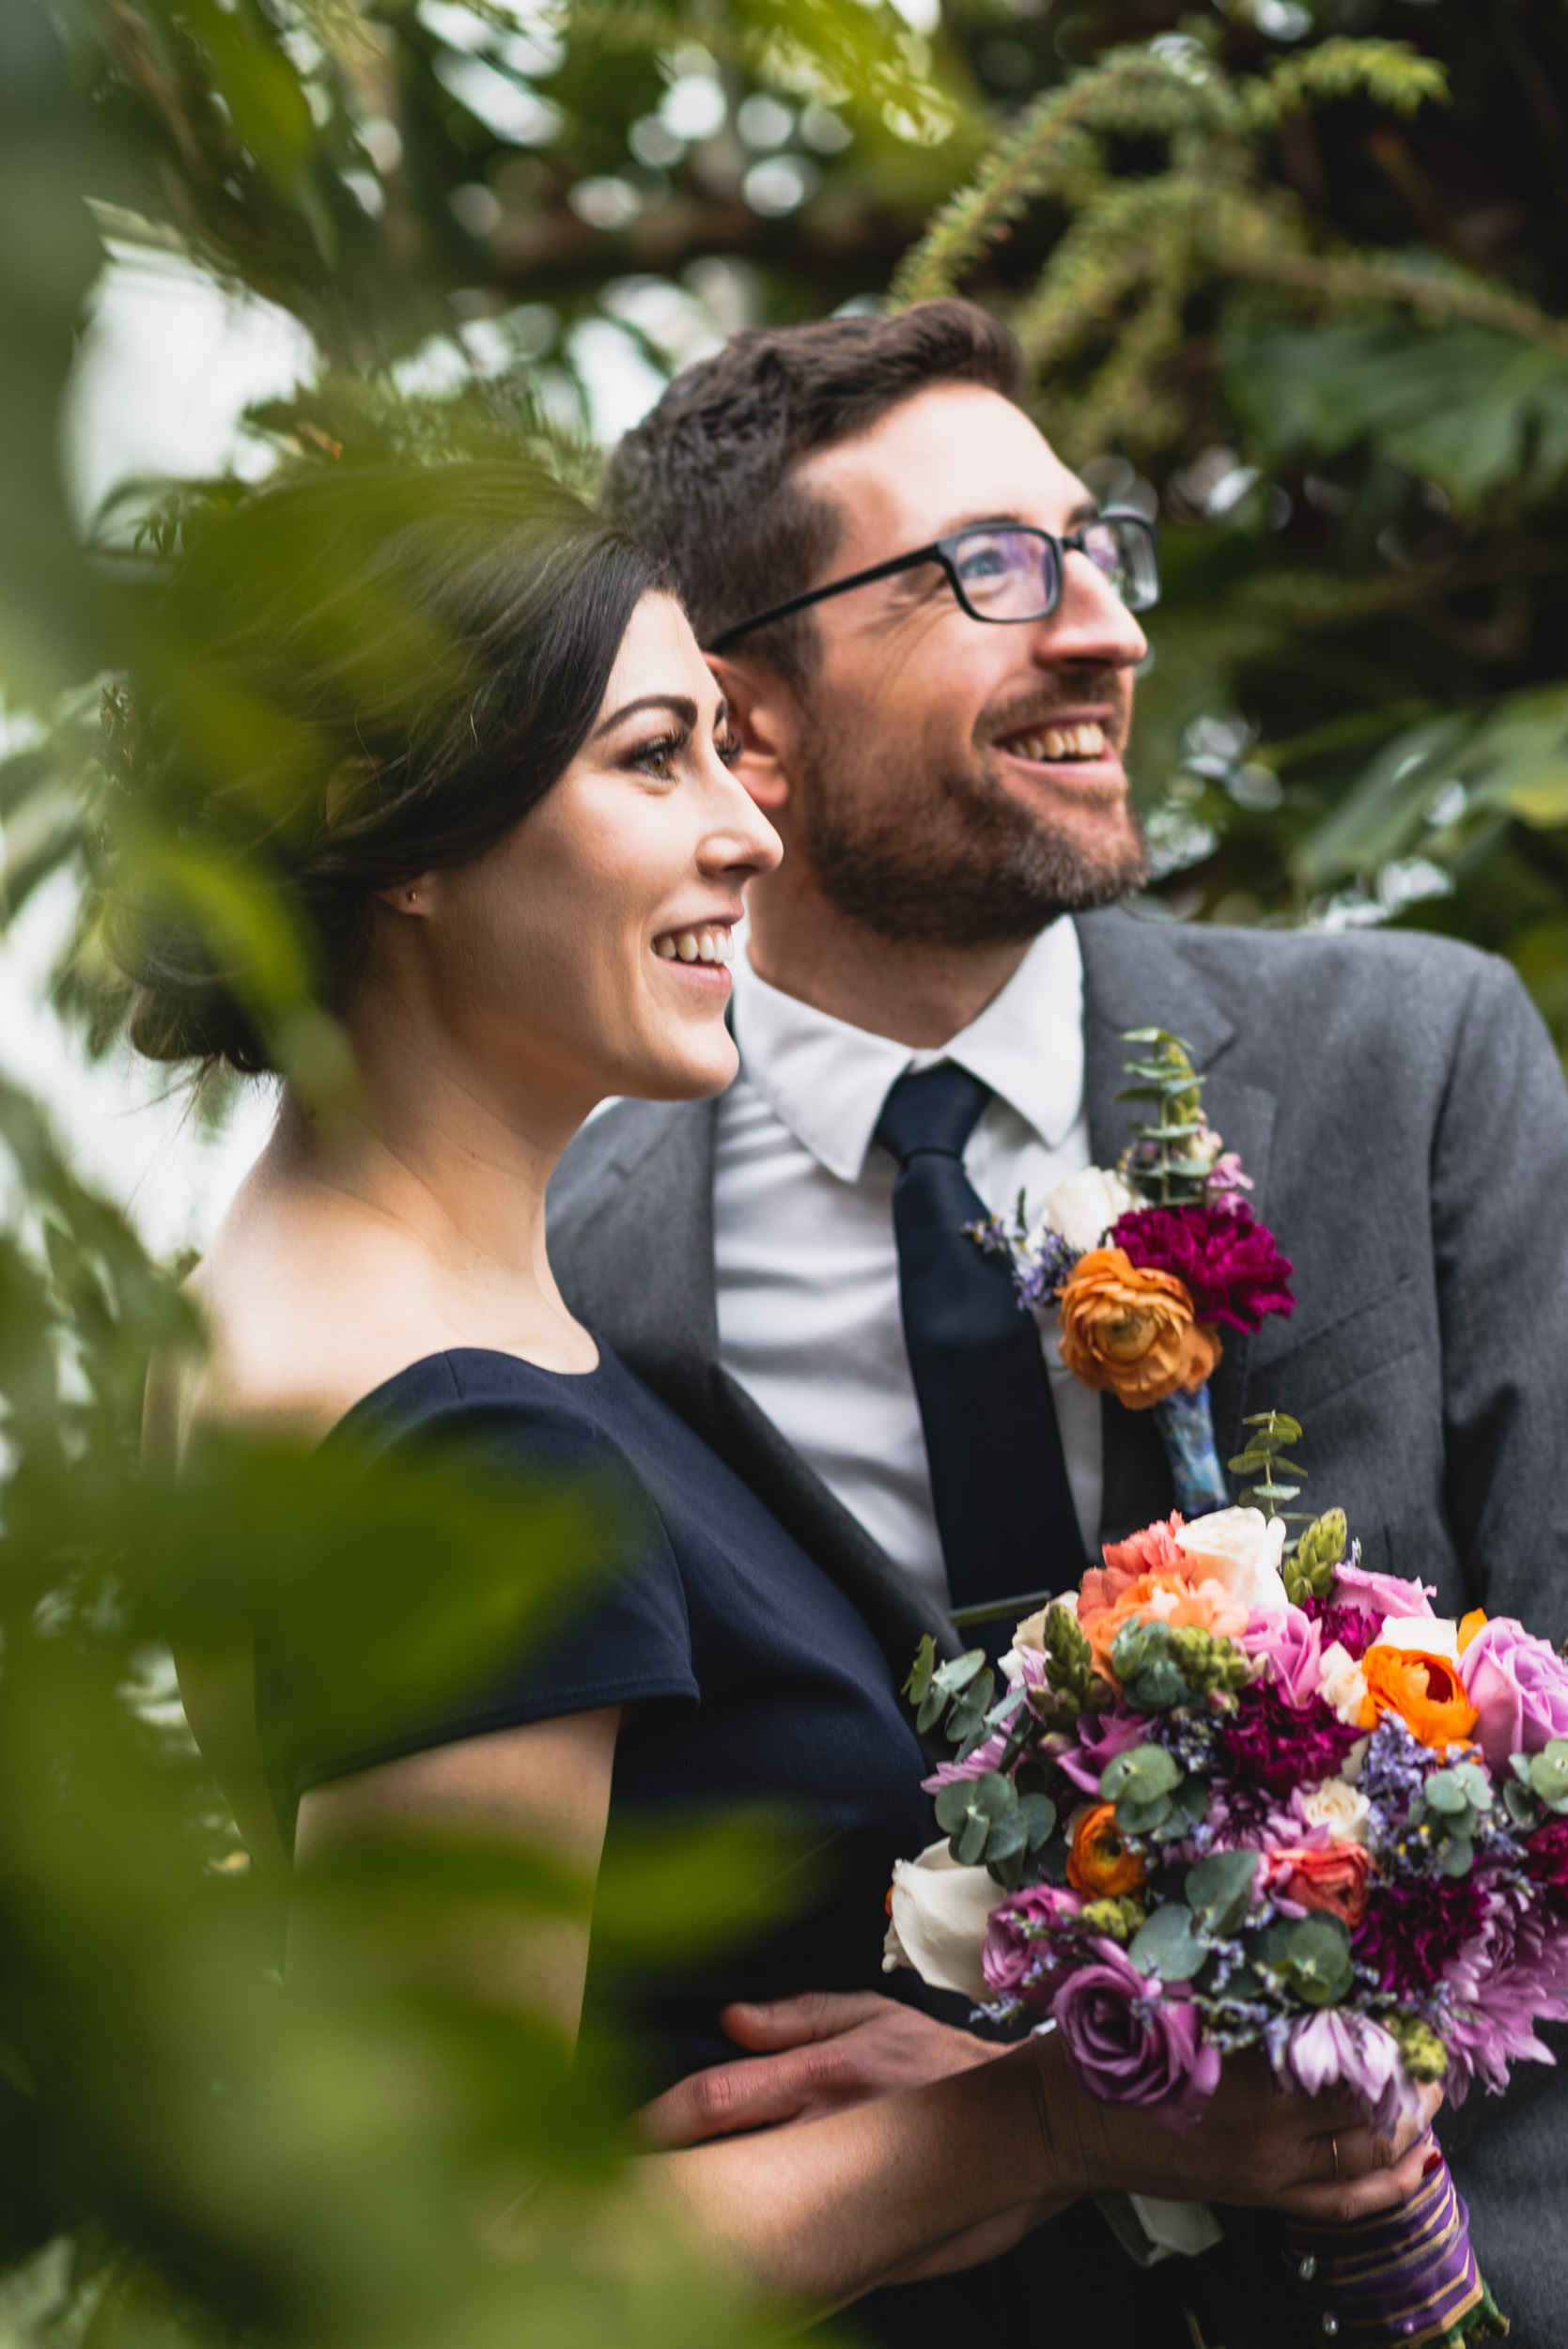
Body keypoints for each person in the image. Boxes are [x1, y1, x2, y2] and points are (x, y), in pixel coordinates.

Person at [122, 461, 1425, 2341]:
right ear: (390, 828)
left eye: (732, 753)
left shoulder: (252, 1301)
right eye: (656, 758)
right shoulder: (477, 1445)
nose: (746, 834)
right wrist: (1049, 2118)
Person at [546, 300, 1568, 2343]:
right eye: (985, 574)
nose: (1100, 629)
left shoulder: (1420, 1059)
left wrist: (1137, 2094)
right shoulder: (572, 1261)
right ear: (739, 723)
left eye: (1095, 551)